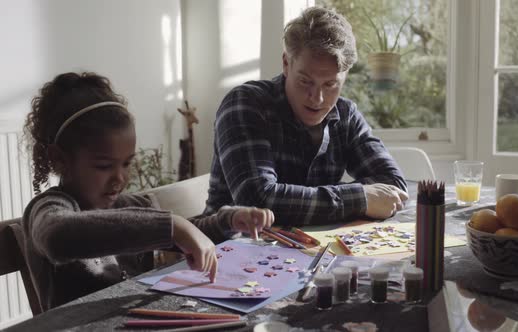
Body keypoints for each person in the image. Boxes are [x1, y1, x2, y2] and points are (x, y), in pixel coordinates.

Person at [22, 72, 274, 311]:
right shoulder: (48, 209)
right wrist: (172, 226)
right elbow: (57, 236)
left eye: (126, 163)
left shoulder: (126, 205)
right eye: (103, 166)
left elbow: (189, 235)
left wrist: (229, 220)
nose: (119, 178)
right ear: (59, 159)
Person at [205, 7, 408, 225]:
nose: (317, 98)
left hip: (312, 249)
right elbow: (258, 199)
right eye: (305, 81)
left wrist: (312, 199)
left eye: (330, 84)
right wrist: (360, 197)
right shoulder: (245, 104)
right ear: (286, 63)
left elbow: (393, 185)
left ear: (345, 77)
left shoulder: (346, 114)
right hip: (230, 249)